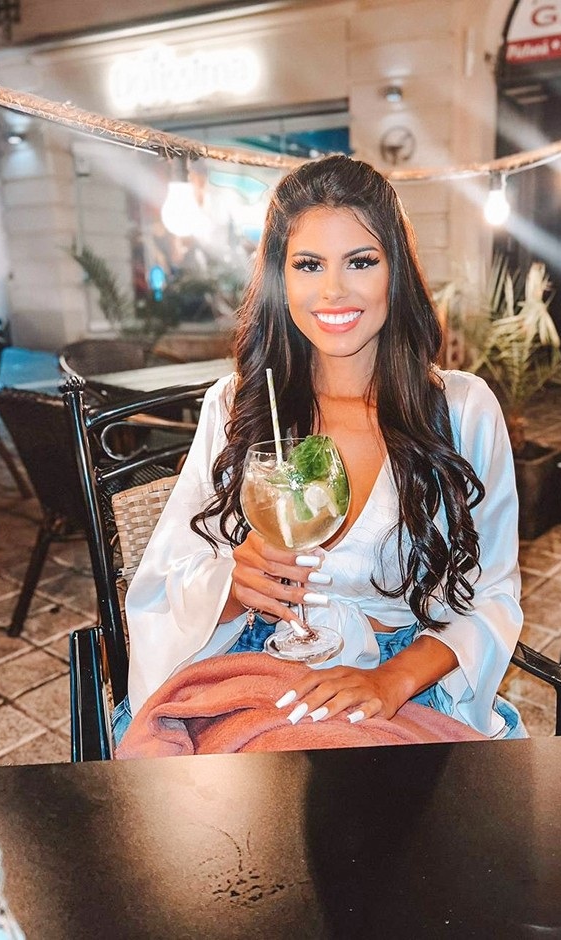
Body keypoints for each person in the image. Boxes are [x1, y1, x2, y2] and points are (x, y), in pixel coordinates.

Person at [115, 154, 525, 745]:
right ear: (281, 280)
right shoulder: (237, 406)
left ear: (396, 272)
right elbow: (164, 581)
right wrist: (233, 586)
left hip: (406, 685)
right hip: (256, 669)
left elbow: (493, 594)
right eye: (308, 264)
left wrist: (390, 679)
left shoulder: (461, 410)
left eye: (361, 261)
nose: (333, 290)